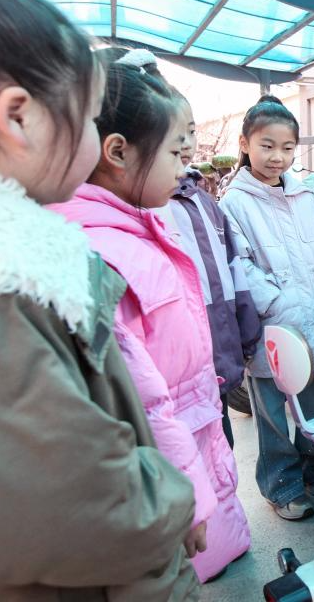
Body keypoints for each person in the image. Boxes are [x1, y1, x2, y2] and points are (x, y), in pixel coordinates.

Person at [0, 0, 199, 600]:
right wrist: (171, 491)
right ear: (18, 118)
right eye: (91, 115)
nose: (98, 138)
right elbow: (83, 516)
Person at [50, 55, 250, 582]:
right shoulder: (98, 252)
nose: (185, 168)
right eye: (175, 153)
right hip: (170, 477)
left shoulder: (139, 226)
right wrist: (183, 497)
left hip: (193, 442)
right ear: (118, 152)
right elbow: (140, 398)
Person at [125, 52, 261, 448]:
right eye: (173, 136)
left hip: (217, 354)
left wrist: (245, 329)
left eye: (190, 132)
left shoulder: (203, 200)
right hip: (172, 376)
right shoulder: (146, 205)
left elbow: (232, 268)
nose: (185, 144)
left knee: (221, 445)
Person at [220, 100, 314, 521]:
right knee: (271, 410)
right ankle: (280, 485)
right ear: (245, 144)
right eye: (267, 146)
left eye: (287, 148)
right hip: (269, 324)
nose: (278, 157)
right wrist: (274, 301)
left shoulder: (305, 193)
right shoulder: (233, 202)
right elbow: (238, 263)